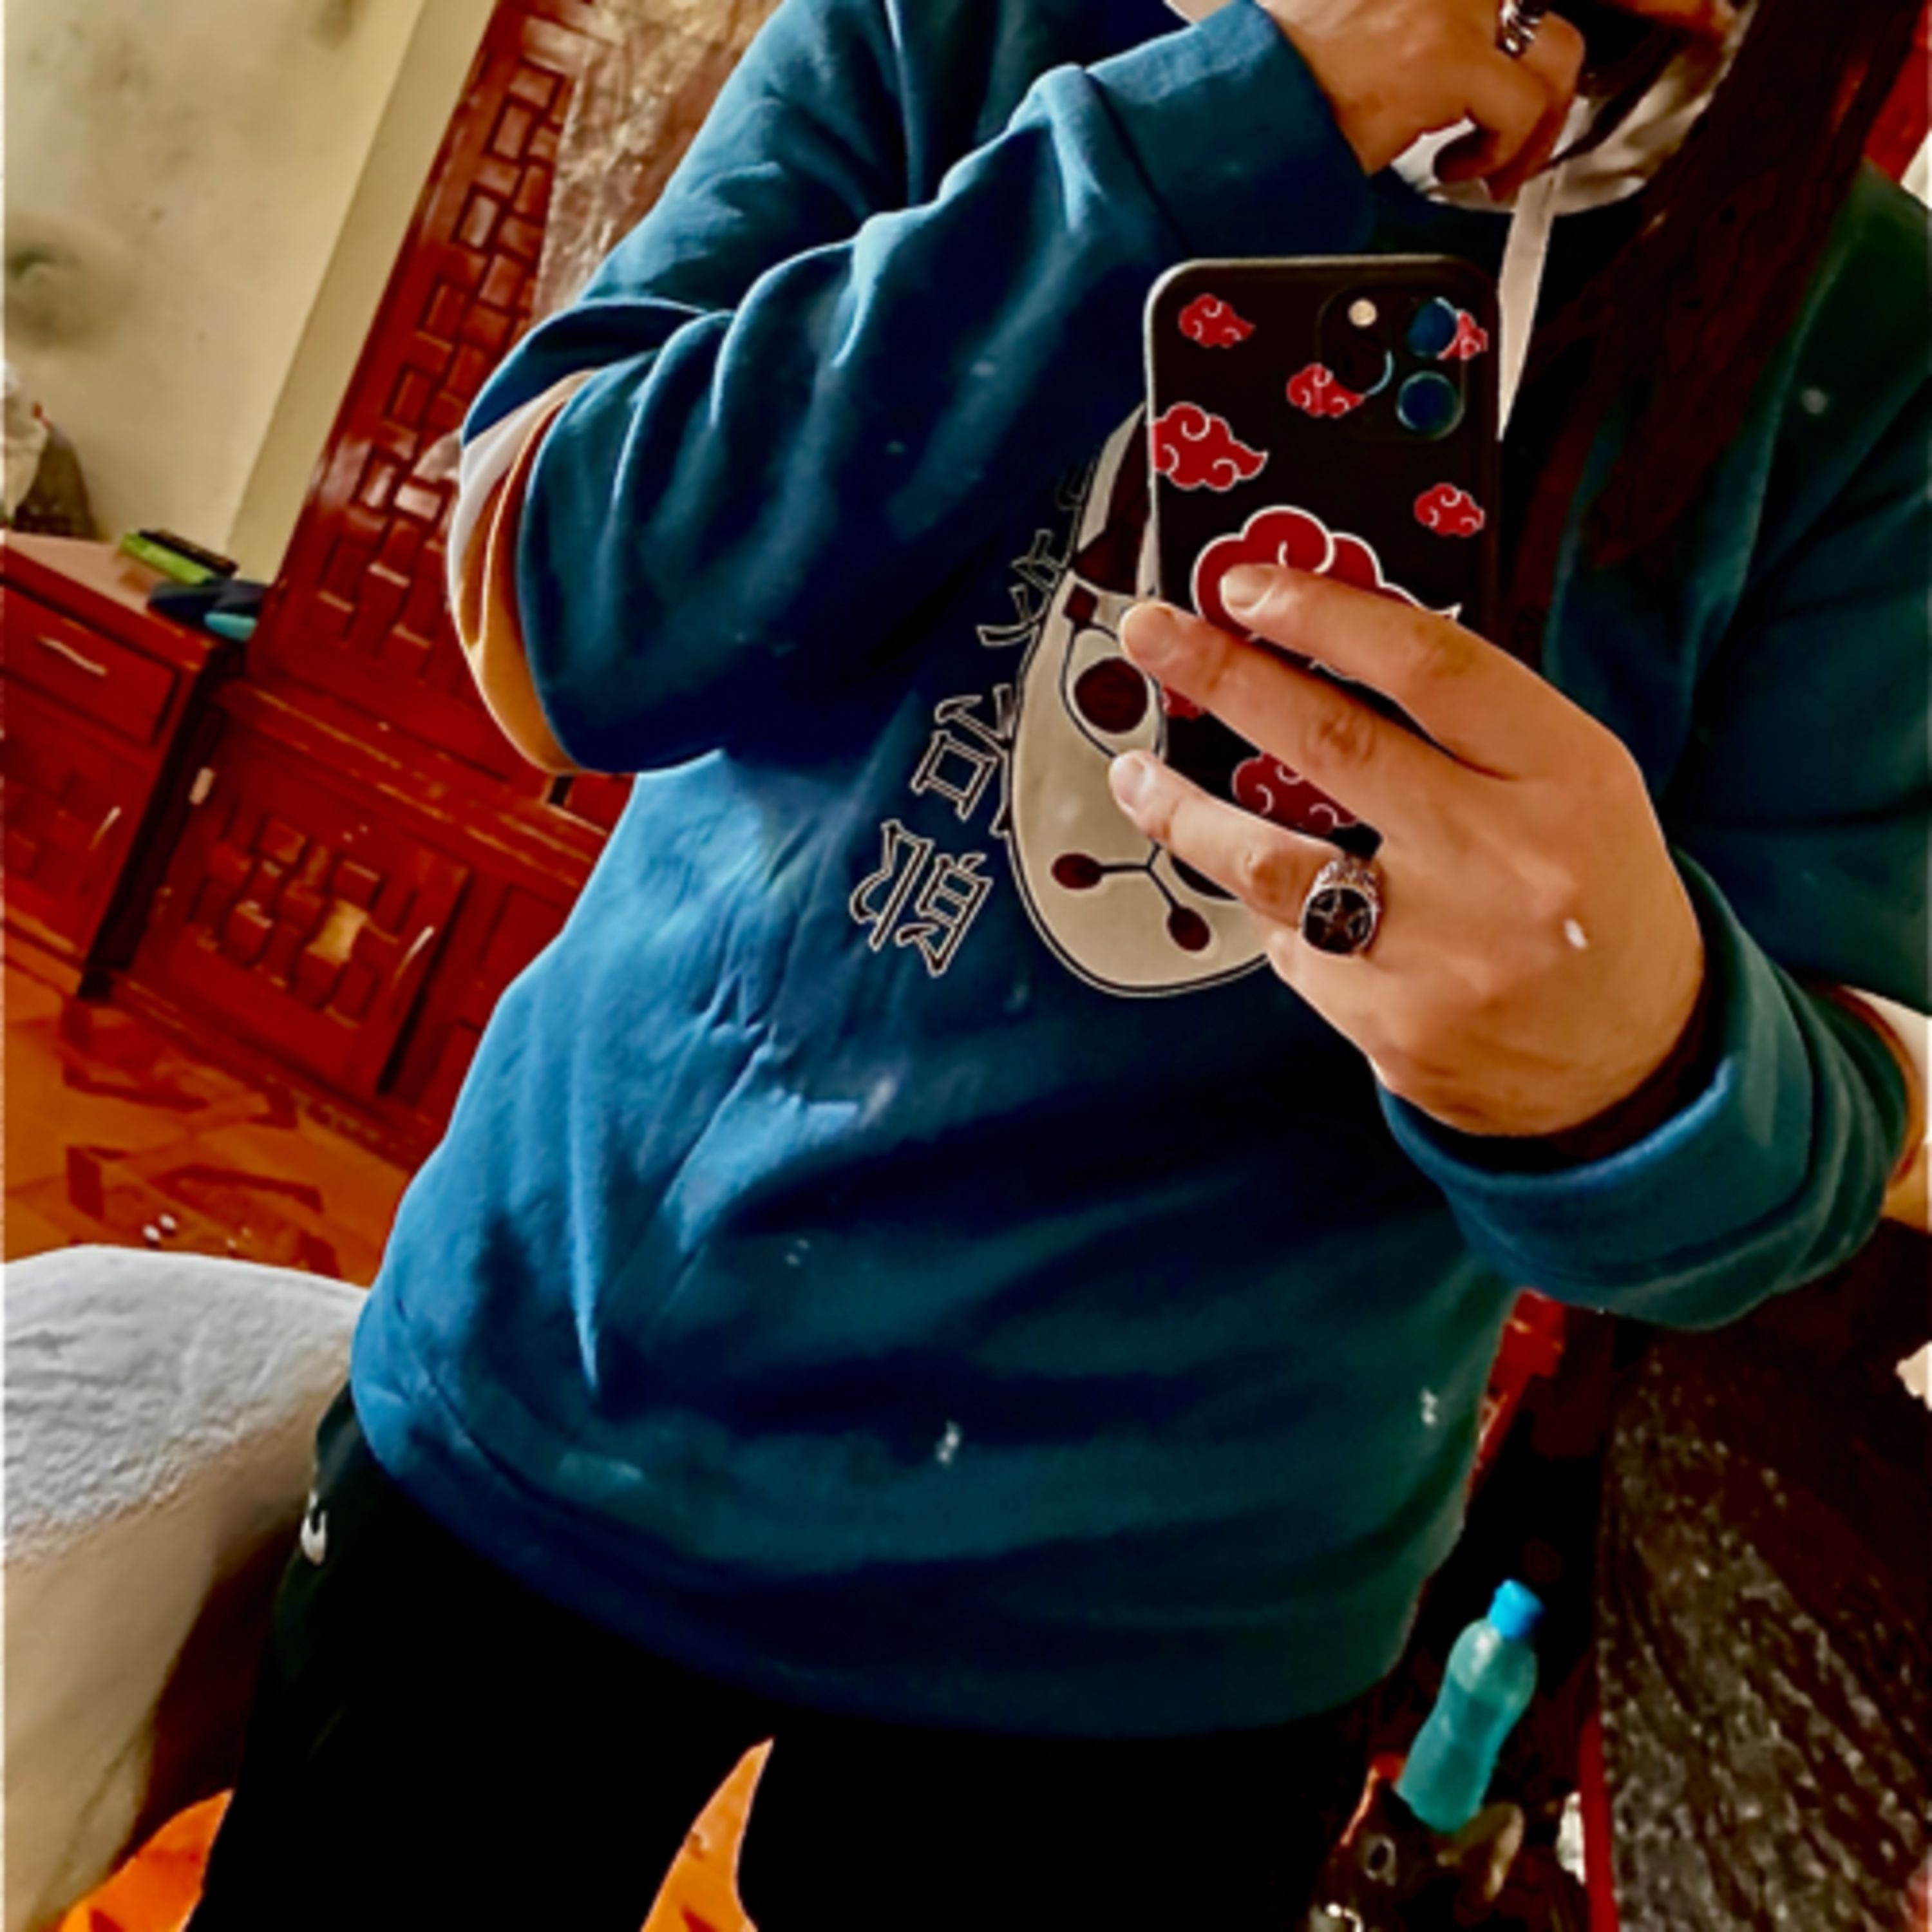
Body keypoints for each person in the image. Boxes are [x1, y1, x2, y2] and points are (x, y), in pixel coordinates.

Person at [185, 0, 1927, 1925]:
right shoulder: (970, 21)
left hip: (1175, 1624)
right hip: (574, 1377)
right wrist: (1220, 120)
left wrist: (1635, 1058)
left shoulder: (1869, 346)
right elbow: (558, 617)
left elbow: (1817, 1135)